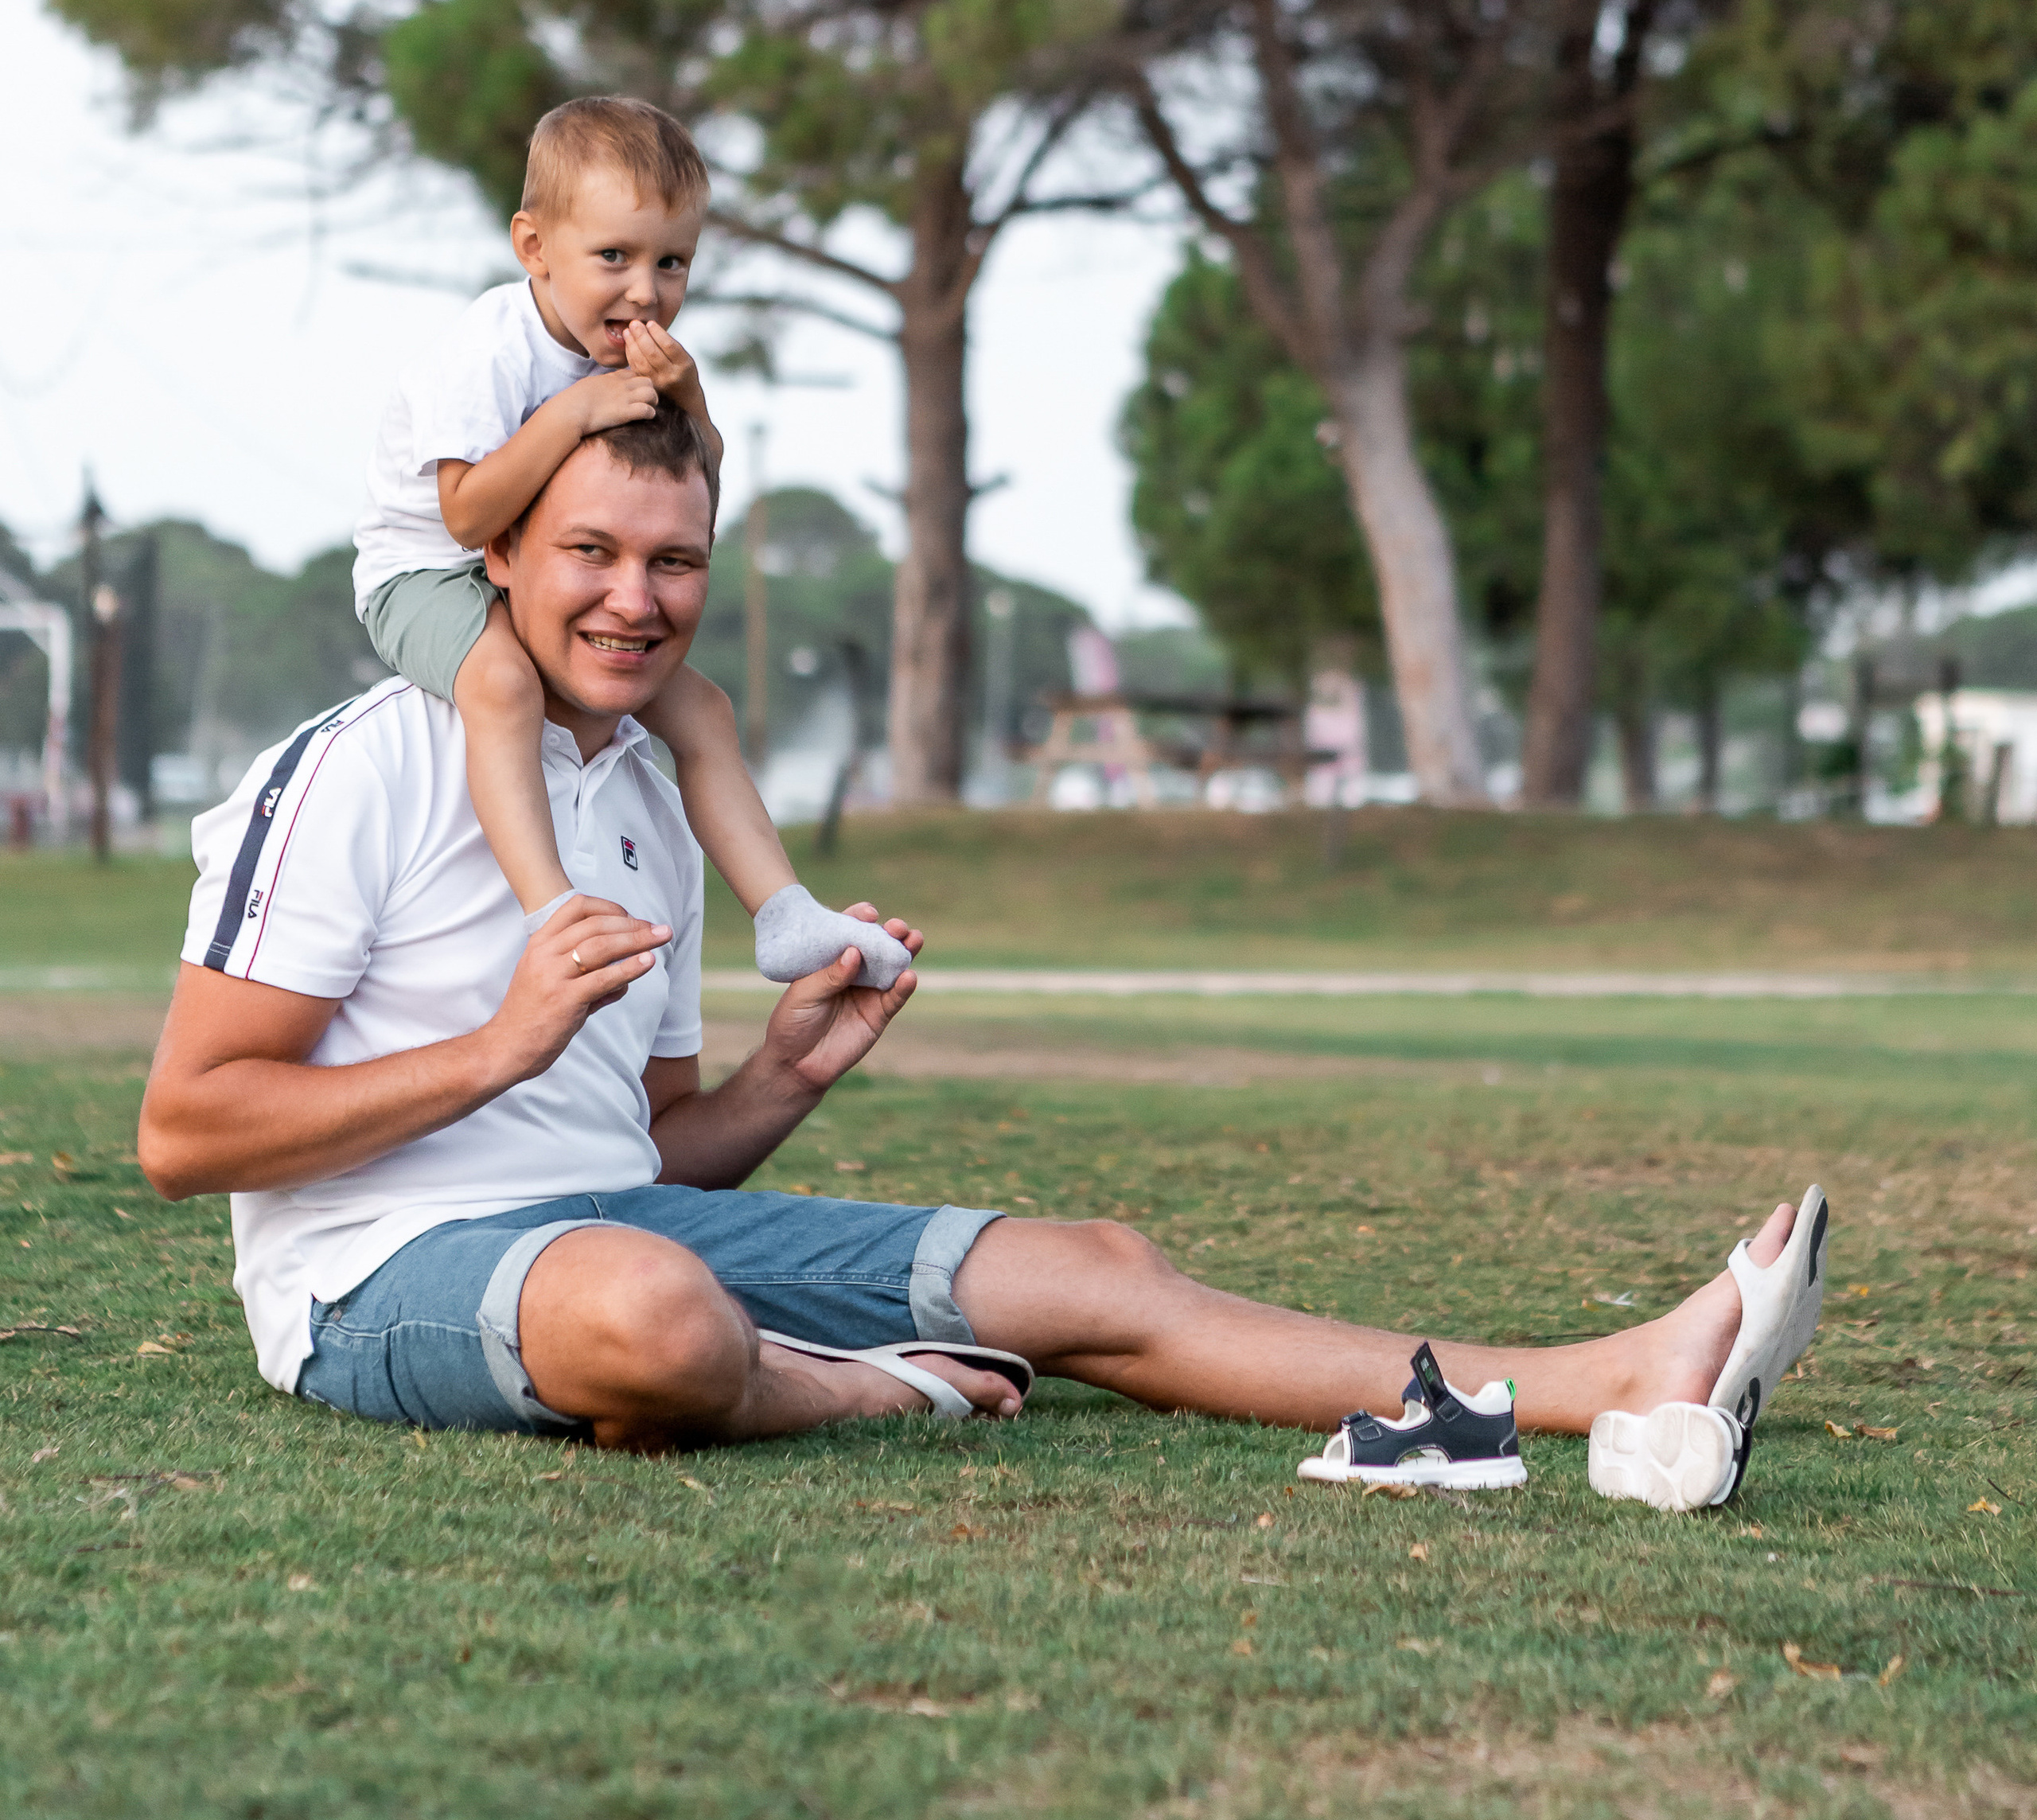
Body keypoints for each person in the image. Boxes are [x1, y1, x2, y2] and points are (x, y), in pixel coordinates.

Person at [142, 403, 1822, 1499]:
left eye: (674, 562)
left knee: (1095, 1268)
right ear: (499, 555)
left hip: (614, 1226)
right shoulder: (362, 765)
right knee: (652, 1319)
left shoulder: (657, 792)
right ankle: (856, 1392)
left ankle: (1607, 1380)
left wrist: (783, 1078)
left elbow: (646, 1161)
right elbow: (185, 1130)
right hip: (373, 1275)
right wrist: (494, 1050)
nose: (632, 600)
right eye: (589, 552)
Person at [351, 91, 909, 992]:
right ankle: (552, 910)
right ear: (534, 247)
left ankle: (785, 914)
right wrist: (572, 414)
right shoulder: (491, 352)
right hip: (426, 573)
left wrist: (692, 400)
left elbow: (699, 494)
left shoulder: (630, 357)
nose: (646, 290)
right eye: (613, 256)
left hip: (543, 577)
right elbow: (466, 515)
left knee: (705, 712)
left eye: (672, 262)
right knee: (503, 685)